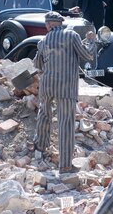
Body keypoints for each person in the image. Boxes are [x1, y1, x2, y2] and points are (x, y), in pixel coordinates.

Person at [32, 11, 96, 173]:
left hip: (47, 85)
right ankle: (65, 165)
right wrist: (90, 41)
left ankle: (40, 147)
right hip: (66, 87)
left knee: (44, 114)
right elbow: (87, 55)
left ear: (48, 25)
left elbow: (37, 64)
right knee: (65, 122)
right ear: (60, 23)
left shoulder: (43, 41)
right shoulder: (72, 36)